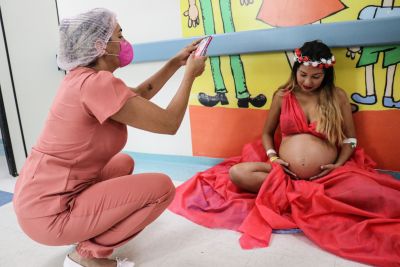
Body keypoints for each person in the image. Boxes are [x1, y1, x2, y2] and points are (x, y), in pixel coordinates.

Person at [169, 40, 400, 266]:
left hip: (328, 175)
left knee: (379, 196)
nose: (308, 81)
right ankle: (302, 199)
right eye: (303, 74)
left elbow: (350, 139)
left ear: (326, 74)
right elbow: (267, 133)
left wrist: (338, 165)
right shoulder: (283, 95)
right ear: (296, 69)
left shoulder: (337, 96)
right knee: (237, 174)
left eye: (315, 77)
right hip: (283, 174)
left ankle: (299, 199)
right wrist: (273, 157)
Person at [13, 8, 206, 267]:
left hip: (34, 199)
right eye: (120, 35)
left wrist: (175, 62)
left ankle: (84, 231)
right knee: (162, 188)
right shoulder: (97, 84)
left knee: (123, 162)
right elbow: (169, 123)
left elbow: (138, 94)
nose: (124, 42)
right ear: (100, 45)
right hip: (50, 214)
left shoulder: (82, 79)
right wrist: (190, 76)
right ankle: (86, 256)